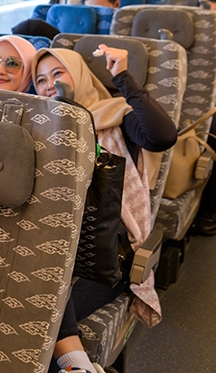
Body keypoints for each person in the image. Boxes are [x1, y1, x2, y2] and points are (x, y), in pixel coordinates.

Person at [32, 46, 177, 373]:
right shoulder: (40, 127)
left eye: (58, 74)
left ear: (79, 75)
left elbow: (162, 136)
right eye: (40, 80)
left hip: (102, 257)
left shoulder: (115, 116)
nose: (49, 85)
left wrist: (123, 77)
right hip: (51, 247)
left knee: (42, 302)